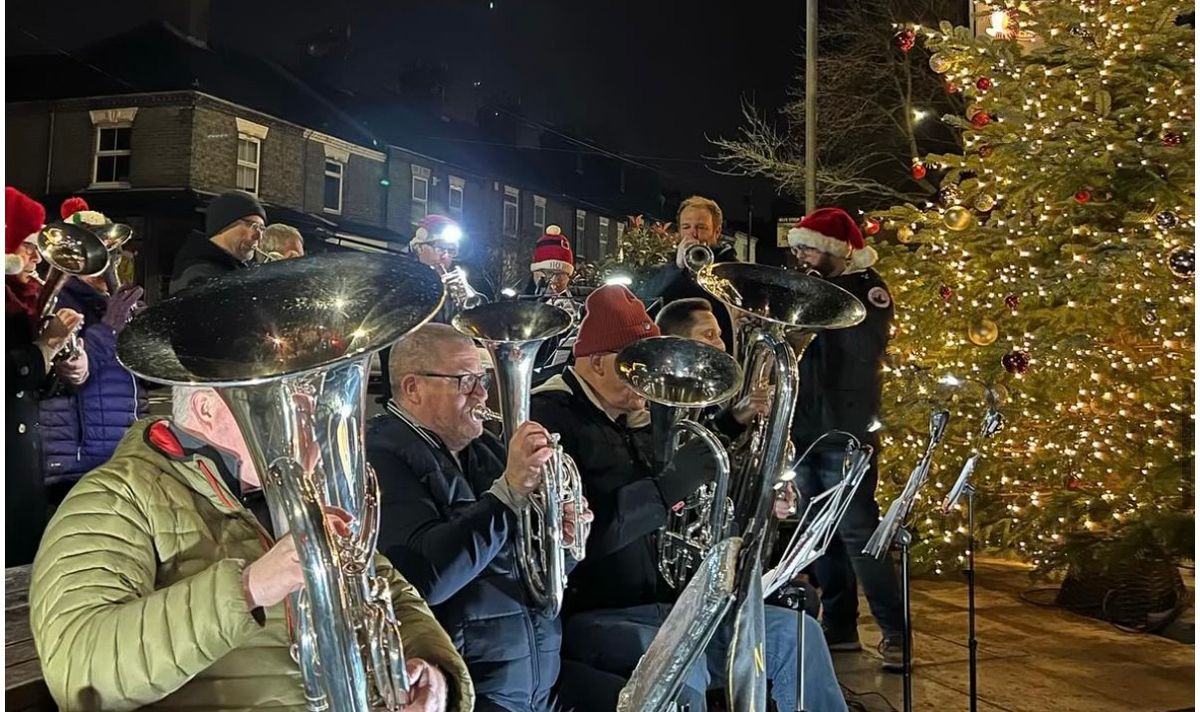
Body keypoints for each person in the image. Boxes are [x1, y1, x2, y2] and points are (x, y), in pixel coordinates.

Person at [30, 385, 474, 711]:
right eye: (287, 402)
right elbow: (79, 672)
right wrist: (251, 586)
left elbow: (384, 592)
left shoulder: (291, 495)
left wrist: (432, 672)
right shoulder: (117, 495)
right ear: (207, 407)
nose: (312, 418)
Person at [530, 285, 846, 712]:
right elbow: (577, 539)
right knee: (681, 660)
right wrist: (667, 486)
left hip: (680, 606)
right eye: (637, 368)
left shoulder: (646, 414)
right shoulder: (551, 417)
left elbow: (699, 507)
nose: (649, 383)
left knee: (798, 636)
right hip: (597, 614)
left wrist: (754, 498)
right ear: (599, 362)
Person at [366, 323, 594, 712]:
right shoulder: (380, 457)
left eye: (483, 378)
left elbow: (531, 566)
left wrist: (562, 539)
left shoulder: (486, 447)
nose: (483, 393)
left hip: (537, 678)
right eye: (464, 381)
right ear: (412, 388)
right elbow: (425, 577)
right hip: (472, 690)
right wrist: (509, 493)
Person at [787, 207, 905, 671]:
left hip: (847, 430)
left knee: (859, 532)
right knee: (819, 534)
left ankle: (895, 632)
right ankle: (840, 625)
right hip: (807, 429)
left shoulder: (868, 292)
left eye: (810, 248)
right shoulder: (812, 287)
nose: (803, 257)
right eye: (799, 249)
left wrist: (819, 305)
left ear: (837, 250)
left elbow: (864, 348)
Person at [38, 198, 147, 505]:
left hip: (120, 453)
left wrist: (144, 336)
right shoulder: (60, 299)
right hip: (77, 458)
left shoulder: (112, 301)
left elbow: (145, 383)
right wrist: (110, 328)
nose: (105, 265)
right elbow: (71, 372)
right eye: (94, 254)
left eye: (110, 254)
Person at [6, 187, 89, 565]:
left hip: (27, 457)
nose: (36, 256)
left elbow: (36, 385)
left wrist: (70, 370)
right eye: (26, 245)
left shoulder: (23, 298)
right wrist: (46, 347)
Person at [640, 196, 739, 351]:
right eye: (686, 227)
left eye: (701, 227)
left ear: (717, 231)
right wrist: (676, 268)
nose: (693, 234)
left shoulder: (732, 269)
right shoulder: (666, 269)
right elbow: (644, 303)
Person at [169, 189, 265, 294]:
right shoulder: (197, 276)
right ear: (225, 225)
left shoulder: (232, 270)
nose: (259, 236)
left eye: (261, 228)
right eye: (251, 225)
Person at [523, 226, 583, 385]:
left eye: (560, 274)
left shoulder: (578, 305)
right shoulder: (520, 303)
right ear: (535, 272)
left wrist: (574, 323)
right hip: (528, 378)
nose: (554, 281)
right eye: (547, 273)